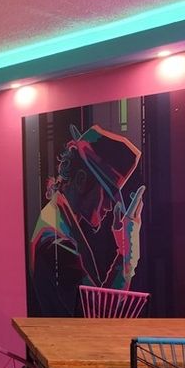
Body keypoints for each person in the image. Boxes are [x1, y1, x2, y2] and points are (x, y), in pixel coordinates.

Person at [29, 124, 145, 316]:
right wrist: (127, 256)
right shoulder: (58, 242)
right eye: (107, 194)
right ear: (81, 180)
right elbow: (98, 316)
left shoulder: (59, 220)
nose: (109, 207)